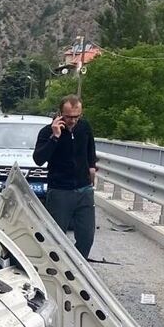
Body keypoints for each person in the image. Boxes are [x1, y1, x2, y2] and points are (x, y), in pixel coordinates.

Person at [33, 94, 98, 257]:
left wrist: (91, 167)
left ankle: (77, 265)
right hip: (60, 190)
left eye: (77, 116)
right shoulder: (47, 132)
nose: (73, 121)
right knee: (56, 238)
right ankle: (55, 266)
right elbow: (38, 159)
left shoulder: (84, 127)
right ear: (60, 113)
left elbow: (91, 148)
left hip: (84, 189)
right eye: (69, 117)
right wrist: (55, 137)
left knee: (87, 237)